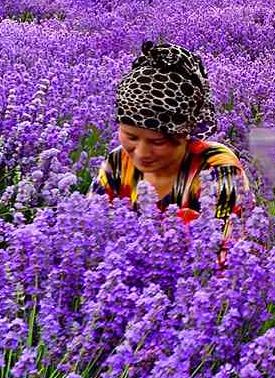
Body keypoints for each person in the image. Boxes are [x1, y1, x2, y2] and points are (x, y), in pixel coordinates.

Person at [91, 41, 248, 240]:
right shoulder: (117, 163)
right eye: (131, 137)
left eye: (157, 142)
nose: (141, 152)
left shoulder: (217, 167)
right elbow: (91, 228)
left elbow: (225, 245)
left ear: (184, 133)